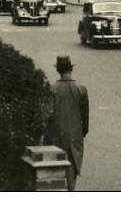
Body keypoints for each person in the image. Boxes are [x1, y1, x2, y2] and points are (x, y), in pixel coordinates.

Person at [45, 55, 89, 191]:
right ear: (71, 69)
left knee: (54, 180)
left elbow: (46, 117)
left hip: (55, 140)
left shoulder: (51, 89)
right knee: (71, 179)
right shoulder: (81, 89)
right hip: (74, 140)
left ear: (58, 70)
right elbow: (85, 121)